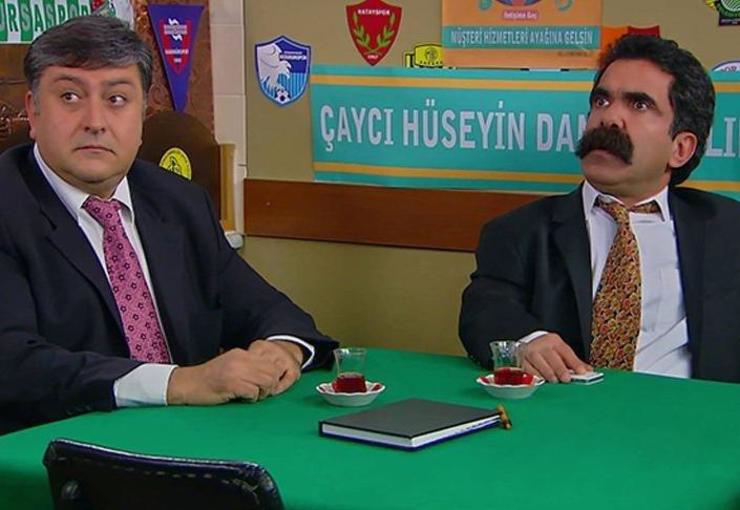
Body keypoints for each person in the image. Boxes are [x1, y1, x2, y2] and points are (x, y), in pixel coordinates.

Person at [0, 15, 337, 434]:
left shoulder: (179, 201)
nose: (95, 121)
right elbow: (13, 364)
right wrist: (179, 383)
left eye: (117, 99)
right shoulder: (8, 207)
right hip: (54, 454)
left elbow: (274, 312)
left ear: (143, 114)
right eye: (70, 96)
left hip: (187, 443)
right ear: (33, 111)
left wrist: (281, 349)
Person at [459, 34, 740, 384]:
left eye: (639, 105)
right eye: (602, 100)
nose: (609, 118)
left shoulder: (728, 230)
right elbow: (484, 310)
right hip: (569, 408)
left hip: (692, 411)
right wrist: (527, 341)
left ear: (680, 148)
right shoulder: (520, 231)